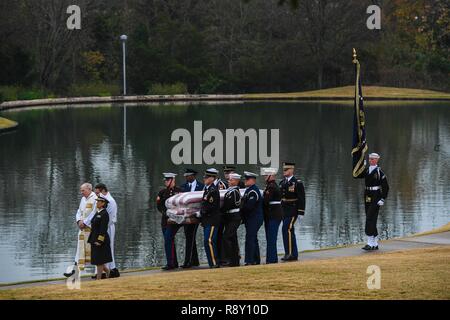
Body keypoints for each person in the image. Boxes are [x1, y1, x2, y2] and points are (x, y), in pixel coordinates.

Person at [356, 153, 389, 250]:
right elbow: (357, 175)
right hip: (367, 195)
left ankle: (369, 243)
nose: (371, 160)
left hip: (376, 195)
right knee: (371, 218)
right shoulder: (366, 170)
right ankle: (374, 243)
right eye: (370, 159)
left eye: (373, 159)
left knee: (369, 217)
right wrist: (362, 166)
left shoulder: (380, 172)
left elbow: (386, 187)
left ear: (377, 160)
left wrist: (383, 198)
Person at [64, 183, 97, 277]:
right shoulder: (83, 199)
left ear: (89, 189)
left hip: (91, 229)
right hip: (82, 230)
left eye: (83, 190)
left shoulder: (94, 198)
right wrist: (78, 221)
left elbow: (94, 213)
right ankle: (74, 272)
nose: (81, 192)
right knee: (79, 250)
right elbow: (79, 211)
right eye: (81, 190)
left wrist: (85, 222)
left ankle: (98, 272)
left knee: (94, 251)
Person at [92, 183, 120, 278]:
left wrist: (101, 231)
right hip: (101, 227)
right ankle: (104, 271)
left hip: (108, 227)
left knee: (108, 248)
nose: (96, 195)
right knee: (102, 250)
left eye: (97, 193)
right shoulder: (101, 201)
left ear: (103, 191)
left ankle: (110, 270)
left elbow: (108, 219)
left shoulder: (110, 201)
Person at [280, 162, 305, 262]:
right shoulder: (282, 183)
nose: (284, 171)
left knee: (287, 229)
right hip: (284, 210)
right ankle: (293, 254)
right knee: (288, 231)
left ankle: (289, 254)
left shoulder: (297, 183)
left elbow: (302, 198)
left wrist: (301, 212)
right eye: (284, 170)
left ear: (291, 170)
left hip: (293, 210)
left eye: (286, 170)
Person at [156, 173, 182, 270]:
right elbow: (159, 205)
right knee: (169, 241)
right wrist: (165, 212)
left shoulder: (179, 191)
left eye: (167, 180)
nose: (165, 182)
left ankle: (170, 264)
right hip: (165, 219)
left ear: (172, 180)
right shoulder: (162, 192)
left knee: (168, 239)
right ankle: (173, 262)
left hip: (175, 220)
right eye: (165, 180)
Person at [179, 168, 204, 268]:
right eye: (185, 175)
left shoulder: (201, 186)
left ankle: (187, 262)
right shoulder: (183, 186)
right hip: (186, 216)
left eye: (188, 175)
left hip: (196, 216)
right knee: (189, 237)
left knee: (190, 237)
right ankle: (195, 260)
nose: (186, 177)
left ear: (193, 176)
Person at [240, 171, 264, 266]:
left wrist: (240, 210)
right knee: (253, 239)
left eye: (247, 179)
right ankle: (256, 260)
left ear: (253, 180)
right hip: (251, 218)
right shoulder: (248, 190)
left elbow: (249, 206)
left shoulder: (253, 191)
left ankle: (249, 260)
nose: (245, 181)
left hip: (254, 218)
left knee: (250, 238)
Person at [200, 168, 221, 268]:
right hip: (207, 220)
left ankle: (214, 263)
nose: (205, 178)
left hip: (212, 220)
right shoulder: (207, 189)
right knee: (207, 241)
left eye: (207, 177)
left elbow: (210, 206)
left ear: (212, 178)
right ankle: (211, 263)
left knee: (209, 241)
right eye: (205, 176)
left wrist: (201, 213)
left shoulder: (213, 191)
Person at [261, 167, 283, 264]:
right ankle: (271, 259)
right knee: (270, 238)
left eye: (266, 175)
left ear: (271, 176)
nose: (265, 177)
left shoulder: (271, 187)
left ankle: (271, 260)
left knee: (271, 239)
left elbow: (266, 201)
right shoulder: (270, 186)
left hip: (273, 215)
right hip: (272, 215)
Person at [88, 196, 113, 280]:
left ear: (103, 203)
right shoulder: (98, 212)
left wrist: (99, 241)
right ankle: (107, 271)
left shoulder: (104, 214)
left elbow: (103, 229)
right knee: (96, 259)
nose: (97, 203)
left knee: (99, 260)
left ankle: (98, 279)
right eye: (97, 201)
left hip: (100, 240)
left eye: (99, 201)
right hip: (94, 238)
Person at [221, 173, 242, 267]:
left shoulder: (235, 192)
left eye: (231, 180)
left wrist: (221, 210)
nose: (229, 181)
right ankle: (234, 261)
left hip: (234, 217)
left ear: (236, 181)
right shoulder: (230, 191)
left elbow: (230, 204)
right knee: (232, 238)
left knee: (227, 237)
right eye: (229, 180)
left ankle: (230, 259)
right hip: (230, 217)